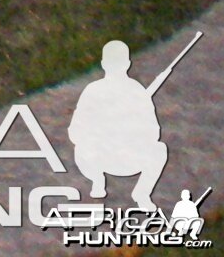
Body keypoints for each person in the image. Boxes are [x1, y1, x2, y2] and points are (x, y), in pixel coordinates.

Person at [69, 41, 171, 208]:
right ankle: (99, 181)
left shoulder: (96, 90)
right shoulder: (134, 91)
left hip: (119, 158)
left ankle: (139, 193)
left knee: (158, 149)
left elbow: (75, 131)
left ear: (103, 64)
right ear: (128, 64)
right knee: (159, 150)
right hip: (108, 157)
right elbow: (154, 132)